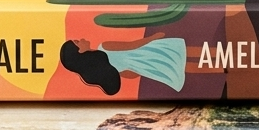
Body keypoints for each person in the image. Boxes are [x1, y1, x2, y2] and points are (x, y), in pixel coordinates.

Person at [59, 33, 187, 95]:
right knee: (183, 52)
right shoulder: (104, 47)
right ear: (80, 51)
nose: (81, 39)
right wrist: (152, 37)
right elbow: (132, 45)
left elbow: (131, 75)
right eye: (77, 42)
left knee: (181, 67)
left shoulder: (106, 68)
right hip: (149, 50)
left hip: (148, 66)